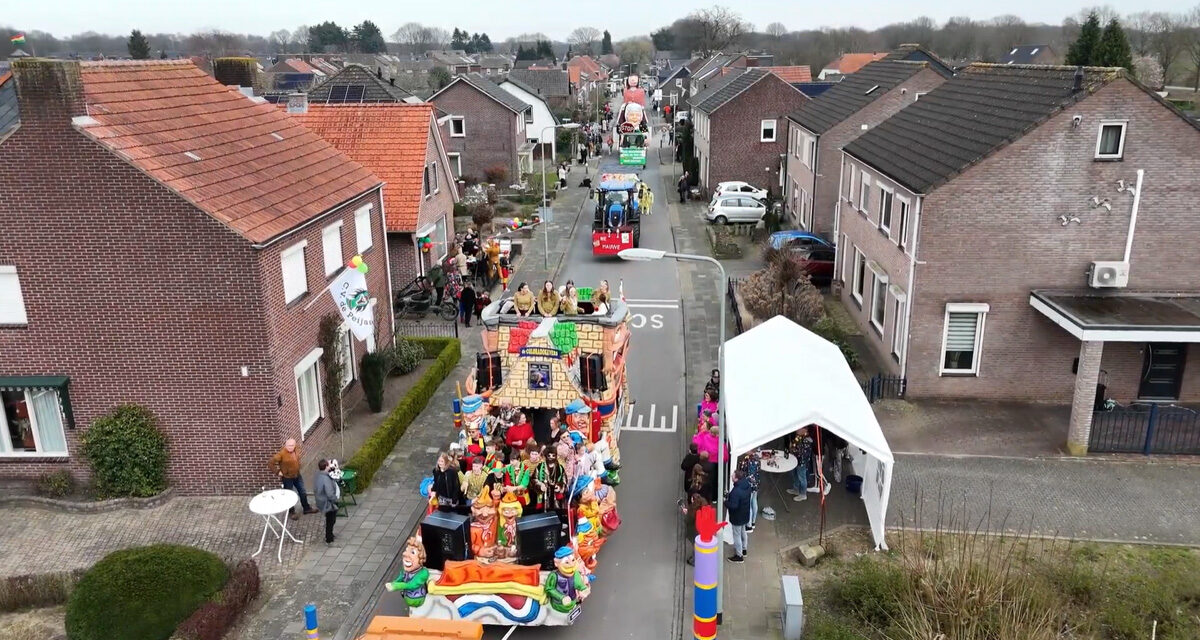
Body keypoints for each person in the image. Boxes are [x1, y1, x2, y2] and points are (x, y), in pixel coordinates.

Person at [268, 438, 317, 516]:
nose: (290, 447)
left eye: (292, 445)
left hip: (297, 475)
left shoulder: (296, 450)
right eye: (288, 445)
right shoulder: (281, 454)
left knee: (302, 491)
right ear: (285, 445)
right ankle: (291, 512)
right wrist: (277, 472)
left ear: (295, 446)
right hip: (287, 478)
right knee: (288, 495)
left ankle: (306, 508)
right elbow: (270, 463)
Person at [726, 469, 752, 562]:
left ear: (736, 479)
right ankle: (744, 549)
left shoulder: (736, 491)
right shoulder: (747, 485)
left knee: (736, 535)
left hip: (737, 517)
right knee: (743, 532)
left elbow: (733, 505)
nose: (731, 477)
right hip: (745, 514)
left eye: (732, 476)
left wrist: (726, 502)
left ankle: (739, 555)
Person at [314, 459, 341, 544]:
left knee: (329, 519)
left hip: (321, 500)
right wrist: (335, 500)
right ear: (326, 467)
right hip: (328, 503)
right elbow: (329, 493)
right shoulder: (326, 478)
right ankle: (329, 538)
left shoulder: (318, 475)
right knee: (331, 520)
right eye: (328, 465)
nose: (330, 466)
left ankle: (329, 535)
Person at [737, 450, 762, 532]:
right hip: (756, 483)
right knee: (754, 501)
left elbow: (742, 472)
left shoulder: (746, 461)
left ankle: (749, 525)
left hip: (748, 485)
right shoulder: (758, 459)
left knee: (749, 505)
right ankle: (753, 522)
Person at [788, 427, 814, 502]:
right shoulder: (798, 437)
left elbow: (802, 453)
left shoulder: (807, 440)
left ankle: (803, 494)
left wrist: (794, 450)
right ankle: (796, 489)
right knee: (795, 474)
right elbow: (794, 446)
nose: (797, 430)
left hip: (801, 462)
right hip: (796, 460)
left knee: (802, 478)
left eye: (799, 429)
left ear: (805, 430)